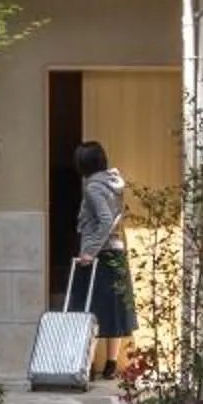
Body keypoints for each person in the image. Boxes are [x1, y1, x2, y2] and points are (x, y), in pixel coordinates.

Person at [71, 140, 137, 383]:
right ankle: (110, 364)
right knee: (114, 309)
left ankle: (87, 365)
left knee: (91, 309)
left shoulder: (93, 187)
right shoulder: (114, 183)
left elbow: (105, 219)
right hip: (117, 251)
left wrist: (90, 252)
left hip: (100, 254)